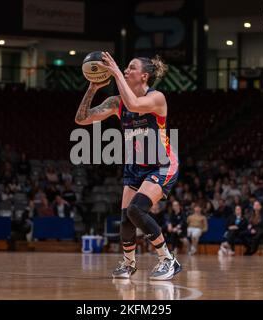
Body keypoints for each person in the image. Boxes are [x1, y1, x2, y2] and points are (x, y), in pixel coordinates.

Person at [75, 53, 181, 280]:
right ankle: (128, 263)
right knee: (126, 218)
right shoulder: (116, 102)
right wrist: (93, 88)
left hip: (161, 164)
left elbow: (134, 104)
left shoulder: (156, 98)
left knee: (136, 210)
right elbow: (81, 119)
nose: (124, 70)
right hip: (136, 164)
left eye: (130, 68)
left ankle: (168, 259)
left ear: (144, 76)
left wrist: (112, 70)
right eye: (124, 67)